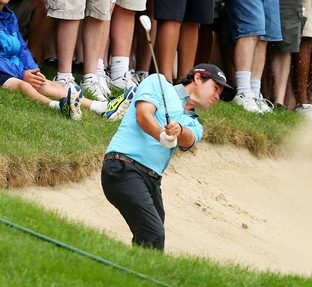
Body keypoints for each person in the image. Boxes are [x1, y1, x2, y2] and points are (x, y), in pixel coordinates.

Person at [0, 0, 132, 120]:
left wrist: (32, 70)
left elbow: (21, 48)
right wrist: (22, 73)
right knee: (23, 85)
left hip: (7, 67)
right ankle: (58, 107)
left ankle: (102, 107)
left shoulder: (8, 15)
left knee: (44, 83)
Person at [100, 64, 235, 251]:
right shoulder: (159, 83)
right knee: (153, 234)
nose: (217, 96)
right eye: (215, 88)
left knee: (149, 241)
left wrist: (179, 130)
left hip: (151, 181)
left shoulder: (194, 123)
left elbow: (188, 140)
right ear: (197, 79)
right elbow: (143, 114)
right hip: (124, 167)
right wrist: (161, 135)